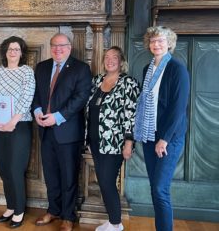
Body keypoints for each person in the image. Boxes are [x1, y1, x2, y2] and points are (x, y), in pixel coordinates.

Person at [32, 33, 92, 231]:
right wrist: (38, 111)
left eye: (62, 45)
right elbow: (36, 95)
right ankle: (53, 210)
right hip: (45, 131)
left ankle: (68, 216)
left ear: (70, 46)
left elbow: (80, 98)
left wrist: (57, 117)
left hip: (68, 133)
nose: (58, 49)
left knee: (68, 176)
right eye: (54, 45)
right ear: (50, 47)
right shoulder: (41, 67)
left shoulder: (81, 68)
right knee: (51, 176)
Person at [134, 26, 190, 231]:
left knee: (160, 189)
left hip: (169, 137)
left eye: (161, 41)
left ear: (169, 43)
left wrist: (164, 139)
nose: (156, 44)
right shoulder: (147, 69)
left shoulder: (177, 68)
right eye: (153, 41)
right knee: (155, 189)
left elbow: (178, 108)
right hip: (150, 134)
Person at [85, 46, 140, 231]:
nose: (110, 60)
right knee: (103, 181)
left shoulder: (129, 83)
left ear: (121, 60)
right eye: (107, 57)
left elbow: (131, 115)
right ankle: (112, 220)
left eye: (114, 57)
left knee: (107, 181)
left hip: (115, 143)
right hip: (95, 141)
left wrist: (129, 142)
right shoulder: (97, 81)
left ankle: (116, 224)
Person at [0, 36, 36, 229]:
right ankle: (10, 206)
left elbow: (27, 97)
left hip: (19, 125)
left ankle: (19, 210)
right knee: (4, 169)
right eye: (9, 48)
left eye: (16, 49)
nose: (13, 52)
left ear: (22, 52)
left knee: (16, 169)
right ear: (5, 52)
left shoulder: (27, 72)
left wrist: (13, 121)